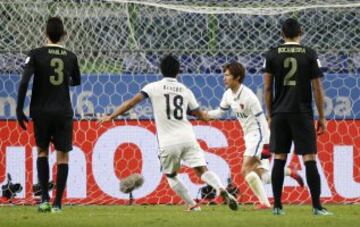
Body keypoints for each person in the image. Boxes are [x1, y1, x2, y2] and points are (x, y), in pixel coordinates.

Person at [98, 55, 238, 211]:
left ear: (161, 70)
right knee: (201, 170)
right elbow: (201, 116)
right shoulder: (185, 90)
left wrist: (111, 116)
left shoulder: (152, 87)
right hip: (188, 137)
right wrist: (215, 113)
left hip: (168, 141)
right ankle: (220, 188)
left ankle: (193, 206)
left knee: (171, 175)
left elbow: (131, 102)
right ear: (178, 72)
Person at [206, 62, 304, 210]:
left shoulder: (249, 96)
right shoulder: (228, 95)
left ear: (237, 77)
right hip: (249, 137)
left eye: (227, 75)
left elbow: (261, 120)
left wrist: (265, 144)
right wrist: (202, 114)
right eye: (224, 75)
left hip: (259, 136)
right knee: (262, 176)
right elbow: (219, 112)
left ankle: (264, 203)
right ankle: (289, 172)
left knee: (246, 170)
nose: (224, 78)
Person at [263, 18, 332, 215]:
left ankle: (277, 206)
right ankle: (317, 207)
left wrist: (270, 115)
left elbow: (267, 88)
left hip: (280, 113)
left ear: (282, 34)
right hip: (302, 113)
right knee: (309, 158)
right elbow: (317, 86)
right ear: (300, 32)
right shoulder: (310, 54)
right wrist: (322, 117)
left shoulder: (271, 54)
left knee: (279, 158)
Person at [16, 17, 81, 213]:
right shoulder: (71, 56)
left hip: (41, 111)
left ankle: (44, 199)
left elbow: (24, 81)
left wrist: (19, 108)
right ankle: (58, 204)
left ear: (45, 33)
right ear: (64, 34)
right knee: (63, 157)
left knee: (42, 152)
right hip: (62, 111)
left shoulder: (35, 54)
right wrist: (61, 83)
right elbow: (76, 81)